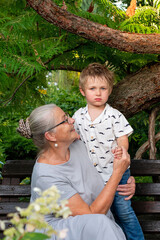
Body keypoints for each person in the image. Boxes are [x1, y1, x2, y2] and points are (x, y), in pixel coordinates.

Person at [17, 103, 135, 240]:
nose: (72, 120)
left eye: (67, 115)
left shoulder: (77, 145)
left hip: (92, 226)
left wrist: (125, 181)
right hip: (53, 232)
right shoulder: (46, 175)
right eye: (65, 120)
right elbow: (91, 215)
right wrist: (117, 174)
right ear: (51, 136)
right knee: (100, 224)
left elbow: (106, 168)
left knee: (102, 225)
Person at [73, 63, 144, 240]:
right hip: (92, 177)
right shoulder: (78, 116)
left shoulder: (114, 115)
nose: (98, 93)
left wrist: (122, 150)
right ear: (83, 91)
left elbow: (122, 137)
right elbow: (73, 140)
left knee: (124, 212)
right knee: (100, 215)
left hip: (116, 172)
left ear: (110, 90)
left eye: (103, 88)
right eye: (93, 88)